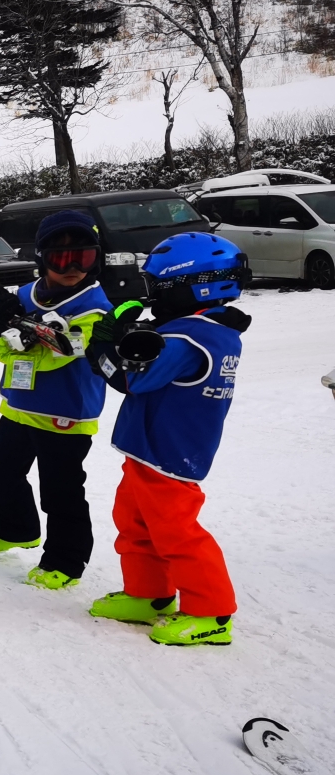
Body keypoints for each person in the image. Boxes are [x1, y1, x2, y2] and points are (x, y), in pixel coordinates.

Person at [84, 231, 249, 646]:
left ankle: (211, 612)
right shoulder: (208, 328)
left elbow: (131, 379)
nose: (152, 295)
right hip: (151, 449)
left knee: (176, 531)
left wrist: (101, 348)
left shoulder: (189, 336)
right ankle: (148, 594)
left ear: (193, 284)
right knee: (134, 521)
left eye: (159, 287)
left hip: (169, 452)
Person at [0, 210, 113, 589]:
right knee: (0, 466)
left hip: (65, 413)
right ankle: (15, 527)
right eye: (60, 258)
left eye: (84, 257)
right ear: (41, 259)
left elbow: (51, 355)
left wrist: (3, 336)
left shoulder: (94, 308)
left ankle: (66, 560)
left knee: (61, 488)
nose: (72, 267)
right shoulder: (26, 294)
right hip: (20, 406)